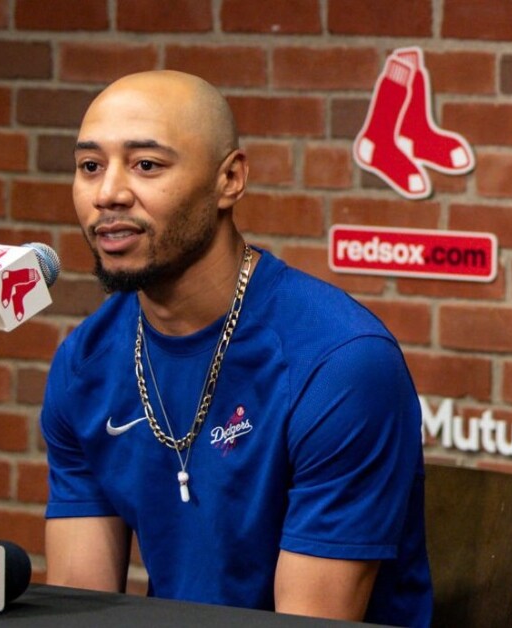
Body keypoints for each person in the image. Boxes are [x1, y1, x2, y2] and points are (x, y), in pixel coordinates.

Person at [40, 70, 432, 626]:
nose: (109, 193)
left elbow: (309, 622)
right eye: (90, 166)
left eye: (147, 164)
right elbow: (81, 606)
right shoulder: (85, 362)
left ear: (230, 179)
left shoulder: (341, 363)